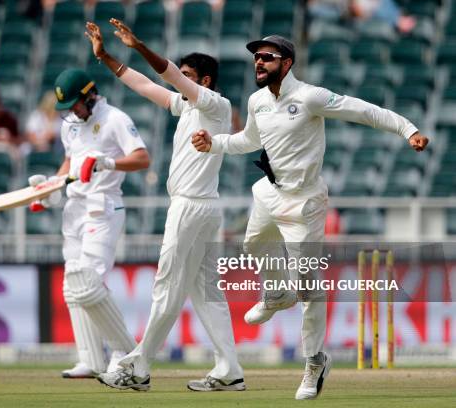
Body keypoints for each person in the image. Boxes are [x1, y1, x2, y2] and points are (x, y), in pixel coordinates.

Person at [191, 35, 429, 400]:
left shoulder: (310, 97)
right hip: (272, 193)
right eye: (256, 57)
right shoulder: (257, 102)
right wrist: (216, 143)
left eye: (266, 57)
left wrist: (407, 129)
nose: (258, 62)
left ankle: (315, 361)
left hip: (305, 203)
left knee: (309, 284)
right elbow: (248, 140)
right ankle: (275, 292)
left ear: (286, 63)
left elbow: (363, 110)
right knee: (254, 243)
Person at [85, 19, 245, 392]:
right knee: (205, 291)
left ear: (204, 80)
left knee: (166, 287)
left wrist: (139, 45)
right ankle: (230, 368)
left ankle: (138, 367)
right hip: (202, 208)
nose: (180, 80)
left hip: (191, 208)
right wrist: (107, 56)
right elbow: (143, 84)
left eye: (189, 75)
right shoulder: (187, 107)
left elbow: (168, 74)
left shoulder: (215, 105)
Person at [28, 68, 150, 378]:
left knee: (89, 283)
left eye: (74, 104)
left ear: (90, 95)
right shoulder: (70, 126)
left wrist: (108, 162)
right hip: (75, 209)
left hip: (103, 207)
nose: (70, 111)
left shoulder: (115, 119)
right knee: (73, 286)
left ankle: (126, 356)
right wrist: (51, 187)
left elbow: (141, 159)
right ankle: (92, 359)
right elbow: (70, 162)